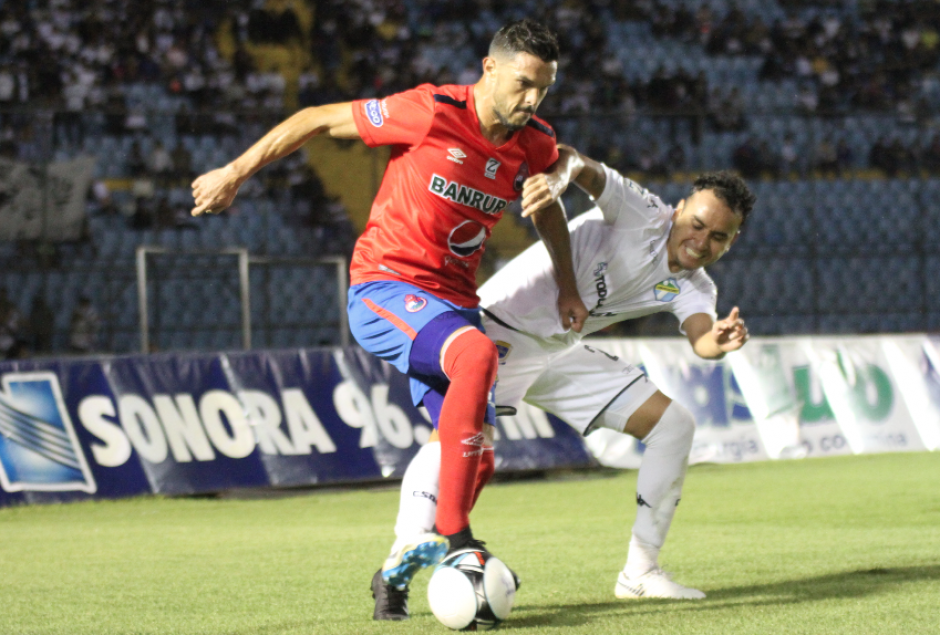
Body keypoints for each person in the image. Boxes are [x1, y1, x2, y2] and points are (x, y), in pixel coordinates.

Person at [189, 19, 588, 618]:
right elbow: (316, 120)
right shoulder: (431, 111)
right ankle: (459, 541)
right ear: (489, 69)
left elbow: (550, 201)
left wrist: (568, 283)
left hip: (451, 307)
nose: (532, 100)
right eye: (524, 84)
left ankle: (396, 569)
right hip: (385, 288)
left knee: (474, 457)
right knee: (477, 357)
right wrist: (234, 172)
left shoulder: (531, 141)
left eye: (544, 89)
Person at [375, 145, 754, 619]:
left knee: (673, 426)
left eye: (719, 237)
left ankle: (640, 573)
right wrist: (557, 180)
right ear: (678, 210)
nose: (702, 241)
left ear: (731, 242)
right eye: (697, 224)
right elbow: (578, 162)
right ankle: (403, 551)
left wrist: (719, 341)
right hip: (499, 329)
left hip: (558, 349)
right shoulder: (642, 212)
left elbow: (701, 337)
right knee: (463, 444)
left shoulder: (697, 286)